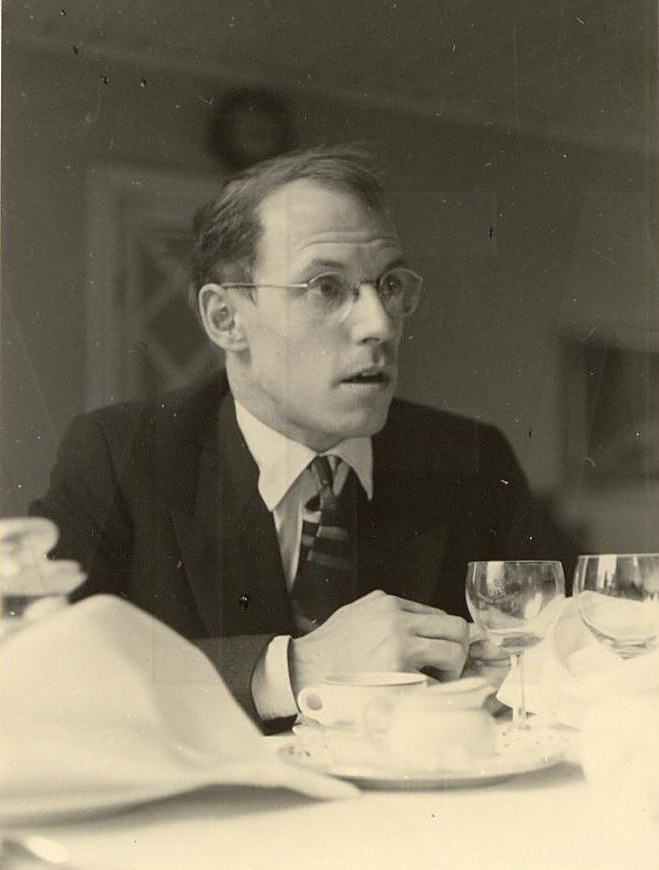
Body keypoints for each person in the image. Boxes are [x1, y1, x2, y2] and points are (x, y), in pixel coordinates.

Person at [31, 146, 576, 732]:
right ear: (225, 319)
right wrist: (292, 668)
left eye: (390, 284)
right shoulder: (119, 454)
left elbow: (567, 652)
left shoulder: (471, 458)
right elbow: (38, 670)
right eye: (326, 287)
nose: (379, 324)